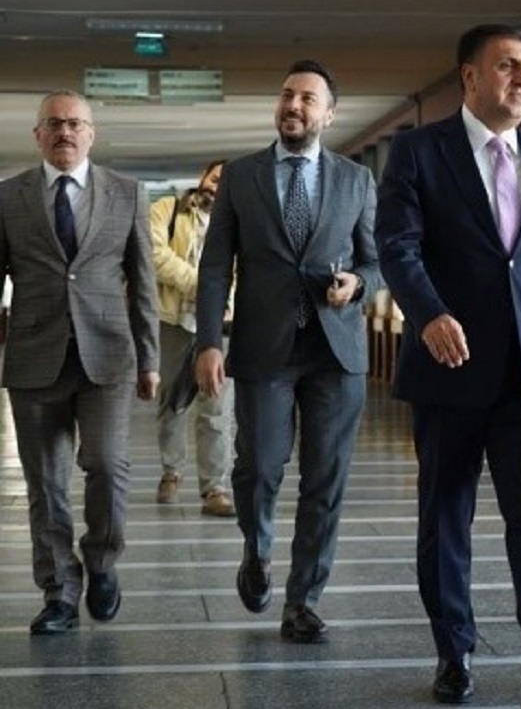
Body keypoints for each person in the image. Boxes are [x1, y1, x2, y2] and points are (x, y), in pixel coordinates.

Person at [375, 24, 521, 708]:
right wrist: (429, 313)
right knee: (447, 515)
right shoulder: (418, 152)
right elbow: (397, 247)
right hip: (449, 364)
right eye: (506, 66)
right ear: (469, 77)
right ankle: (454, 649)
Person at [195, 59, 381, 644]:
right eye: (286, 95)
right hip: (264, 348)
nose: (293, 106)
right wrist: (208, 342)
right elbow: (214, 267)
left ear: (329, 115)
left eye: (307, 99)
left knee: (326, 478)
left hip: (335, 351)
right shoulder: (241, 176)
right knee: (258, 469)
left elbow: (376, 261)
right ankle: (258, 548)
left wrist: (358, 284)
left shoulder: (356, 180)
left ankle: (303, 599)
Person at [0, 90, 160, 634]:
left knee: (108, 466)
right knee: (45, 483)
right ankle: (60, 593)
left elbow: (144, 283)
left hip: (108, 357)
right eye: (54, 123)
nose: (64, 132)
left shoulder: (127, 193)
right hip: (33, 359)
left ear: (91, 133)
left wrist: (150, 359)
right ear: (37, 135)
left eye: (75, 123)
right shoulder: (10, 196)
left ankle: (103, 561)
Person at [150, 159, 236, 517]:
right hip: (173, 321)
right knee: (172, 400)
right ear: (203, 177)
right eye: (214, 178)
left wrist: (221, 299)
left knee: (216, 406)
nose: (217, 187)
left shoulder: (241, 222)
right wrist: (203, 285)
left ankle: (214, 488)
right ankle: (171, 471)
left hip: (221, 324)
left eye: (226, 183)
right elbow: (154, 253)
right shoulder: (167, 209)